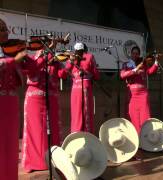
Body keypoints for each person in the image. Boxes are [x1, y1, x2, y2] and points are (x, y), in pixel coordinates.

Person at [21, 40, 68, 172]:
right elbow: (32, 69)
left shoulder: (54, 62)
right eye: (45, 47)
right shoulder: (33, 59)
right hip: (35, 98)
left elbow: (63, 75)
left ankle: (52, 159)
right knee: (35, 130)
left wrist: (63, 63)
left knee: (52, 129)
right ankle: (34, 163)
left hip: (51, 98)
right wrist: (46, 56)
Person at [0, 18, 27, 180]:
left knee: (10, 144)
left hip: (11, 104)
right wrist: (13, 61)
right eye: (1, 29)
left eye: (6, 29)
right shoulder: (8, 57)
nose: (5, 32)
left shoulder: (6, 51)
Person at [120, 46, 158, 134]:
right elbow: (122, 75)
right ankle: (135, 136)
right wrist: (135, 70)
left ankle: (145, 137)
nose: (135, 55)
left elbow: (149, 72)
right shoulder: (126, 64)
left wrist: (156, 62)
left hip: (143, 93)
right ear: (130, 54)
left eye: (137, 54)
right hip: (132, 94)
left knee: (145, 114)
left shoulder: (143, 64)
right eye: (133, 53)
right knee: (133, 115)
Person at [65, 42, 99, 133]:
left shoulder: (71, 57)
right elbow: (96, 75)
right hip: (85, 88)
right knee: (86, 113)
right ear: (85, 49)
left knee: (76, 113)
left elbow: (64, 72)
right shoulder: (90, 57)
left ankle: (75, 134)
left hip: (75, 88)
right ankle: (87, 134)